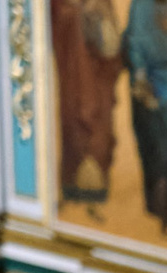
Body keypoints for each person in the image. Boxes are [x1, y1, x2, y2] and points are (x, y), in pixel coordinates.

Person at [123, 0, 167, 236]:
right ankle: (162, 214)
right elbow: (135, 43)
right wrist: (142, 80)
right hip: (152, 88)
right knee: (158, 153)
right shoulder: (141, 7)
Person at [51, 0, 125, 207]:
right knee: (77, 122)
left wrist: (106, 31)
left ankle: (95, 199)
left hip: (100, 78)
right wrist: (79, 15)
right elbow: (57, 15)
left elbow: (112, 45)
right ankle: (73, 193)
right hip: (76, 72)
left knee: (101, 134)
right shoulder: (67, 8)